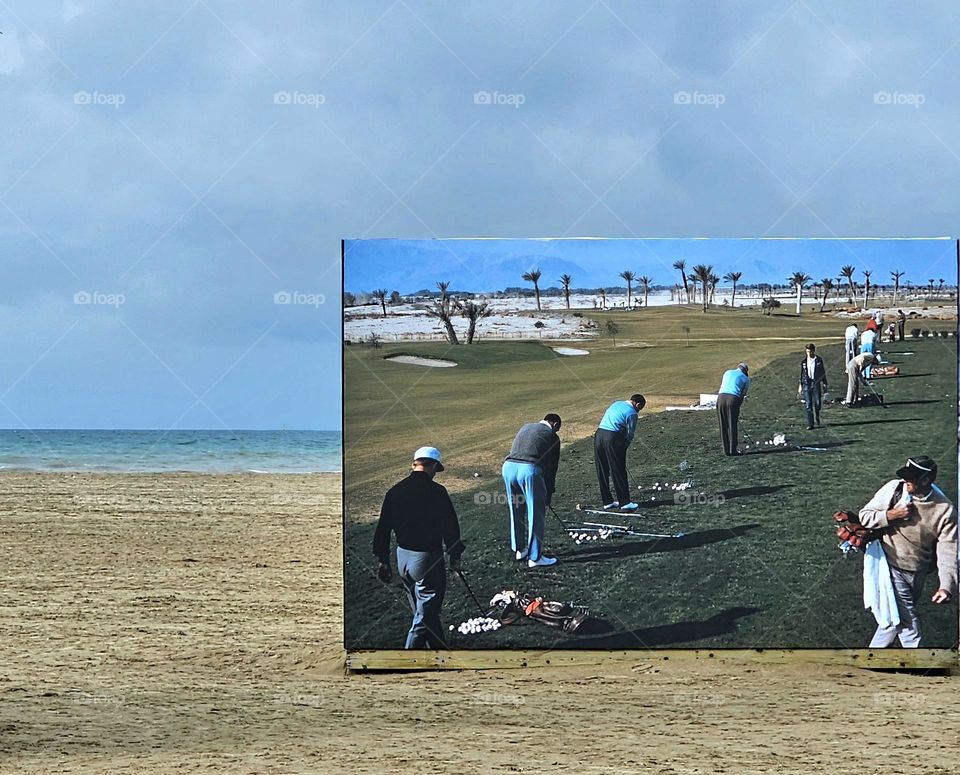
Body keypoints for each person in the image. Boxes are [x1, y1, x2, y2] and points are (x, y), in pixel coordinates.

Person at [858, 456, 957, 647]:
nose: (905, 481)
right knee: (908, 623)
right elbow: (865, 517)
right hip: (889, 566)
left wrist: (946, 586)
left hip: (918, 571)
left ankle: (868, 661)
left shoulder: (945, 510)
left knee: (892, 623)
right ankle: (918, 667)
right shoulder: (894, 488)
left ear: (925, 481)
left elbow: (949, 550)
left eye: (911, 478)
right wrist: (890, 515)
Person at [373, 446, 464, 649]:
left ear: (414, 464)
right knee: (424, 616)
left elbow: (383, 529)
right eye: (435, 469)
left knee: (423, 610)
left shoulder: (394, 491)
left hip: (402, 558)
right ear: (432, 466)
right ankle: (408, 657)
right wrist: (455, 555)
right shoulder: (437, 492)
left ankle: (439, 649)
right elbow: (450, 527)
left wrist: (383, 561)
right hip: (426, 560)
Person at [502, 413, 562, 568]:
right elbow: (551, 469)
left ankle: (520, 550)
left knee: (516, 509)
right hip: (529, 470)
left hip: (508, 468)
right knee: (536, 514)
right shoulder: (553, 437)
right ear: (555, 424)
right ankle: (535, 558)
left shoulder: (525, 426)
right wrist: (548, 493)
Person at [594, 394, 645, 511]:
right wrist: (623, 447)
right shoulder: (632, 413)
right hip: (612, 436)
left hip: (599, 435)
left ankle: (607, 502)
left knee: (602, 469)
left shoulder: (616, 403)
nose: (638, 411)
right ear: (637, 404)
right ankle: (625, 502)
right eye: (640, 408)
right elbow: (630, 433)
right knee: (618, 469)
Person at [717, 363, 749, 456]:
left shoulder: (727, 372)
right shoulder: (746, 379)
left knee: (723, 425)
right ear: (745, 371)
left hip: (720, 398)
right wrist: (736, 409)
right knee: (732, 425)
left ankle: (726, 451)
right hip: (733, 399)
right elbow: (742, 395)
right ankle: (733, 450)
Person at [797, 343, 828, 430]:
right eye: (807, 352)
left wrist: (825, 383)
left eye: (810, 352)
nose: (809, 354)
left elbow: (822, 372)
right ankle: (810, 423)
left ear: (813, 351)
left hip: (816, 383)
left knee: (817, 402)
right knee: (808, 404)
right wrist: (800, 385)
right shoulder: (803, 362)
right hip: (807, 383)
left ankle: (817, 416)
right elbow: (802, 374)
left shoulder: (818, 360)